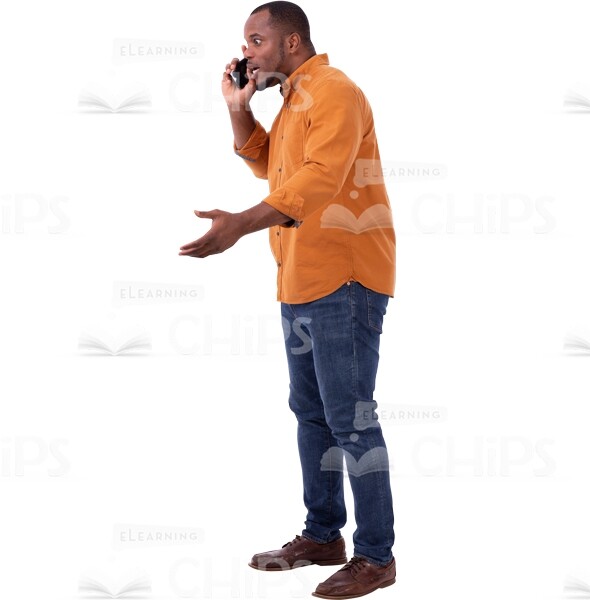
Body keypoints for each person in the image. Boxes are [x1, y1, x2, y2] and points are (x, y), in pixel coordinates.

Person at [179, 2, 396, 598]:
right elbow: (267, 165)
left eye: (256, 40)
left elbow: (319, 180)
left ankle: (376, 557)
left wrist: (239, 226)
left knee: (351, 419)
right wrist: (238, 108)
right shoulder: (295, 99)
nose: (246, 52)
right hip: (300, 278)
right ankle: (324, 536)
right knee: (311, 415)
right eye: (245, 42)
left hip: (345, 278)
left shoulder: (334, 92)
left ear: (292, 42)